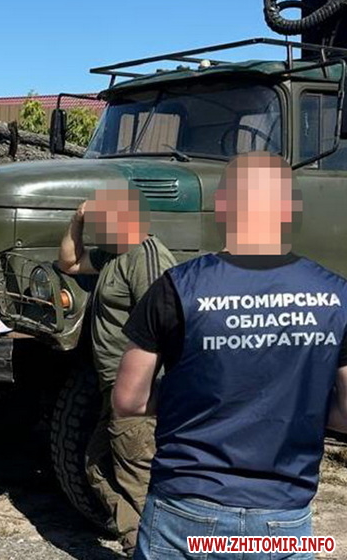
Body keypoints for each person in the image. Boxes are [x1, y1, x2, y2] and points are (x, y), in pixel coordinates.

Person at [114, 151, 347, 559]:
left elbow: (128, 399)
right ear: (291, 210)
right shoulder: (337, 296)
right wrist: (296, 405)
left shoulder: (177, 287)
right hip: (283, 519)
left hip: (184, 511)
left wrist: (196, 399)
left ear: (222, 207)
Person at [57, 187, 175, 556]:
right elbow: (69, 263)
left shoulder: (146, 257)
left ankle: (157, 547)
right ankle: (138, 541)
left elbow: (165, 325)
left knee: (138, 479)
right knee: (96, 467)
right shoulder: (114, 254)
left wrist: (148, 394)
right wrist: (76, 220)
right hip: (114, 387)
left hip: (139, 392)